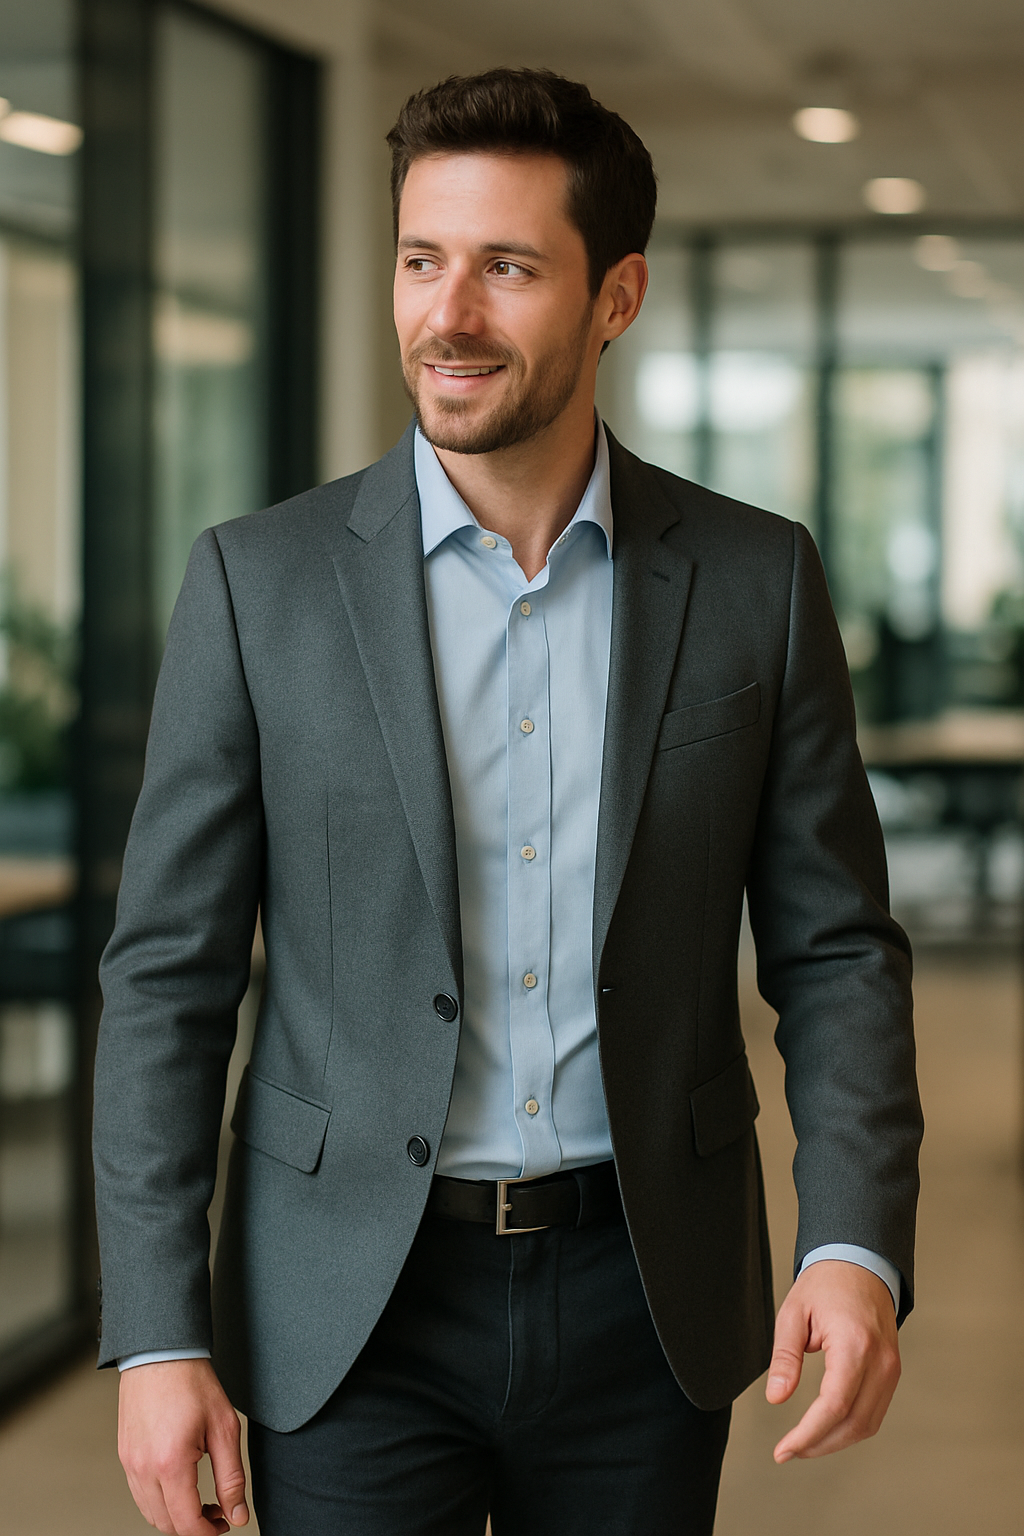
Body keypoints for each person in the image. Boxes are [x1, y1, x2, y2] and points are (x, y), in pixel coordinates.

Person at [94, 67, 922, 1536]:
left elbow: (838, 949)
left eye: (506, 266)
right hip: (348, 1299)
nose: (447, 312)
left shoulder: (753, 581)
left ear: (617, 297)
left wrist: (853, 1240)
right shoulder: (257, 584)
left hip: (644, 1291)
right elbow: (169, 975)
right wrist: (160, 1329)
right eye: (421, 260)